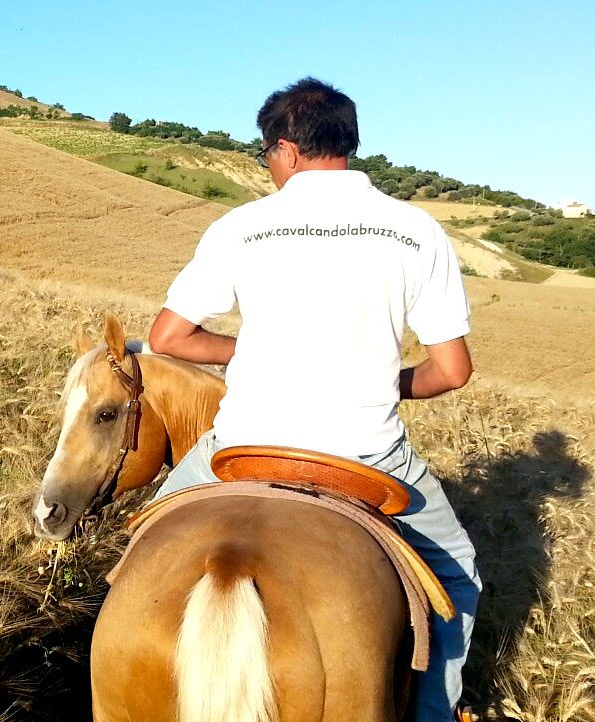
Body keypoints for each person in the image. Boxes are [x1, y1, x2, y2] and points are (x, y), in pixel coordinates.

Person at [147, 77, 480, 722]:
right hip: (366, 456)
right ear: (346, 144)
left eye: (267, 155)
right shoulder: (415, 232)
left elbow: (170, 338)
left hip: (242, 445)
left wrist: (254, 357)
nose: (270, 168)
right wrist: (386, 382)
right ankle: (435, 712)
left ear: (288, 152)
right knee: (455, 575)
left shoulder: (242, 226)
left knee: (151, 545)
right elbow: (453, 370)